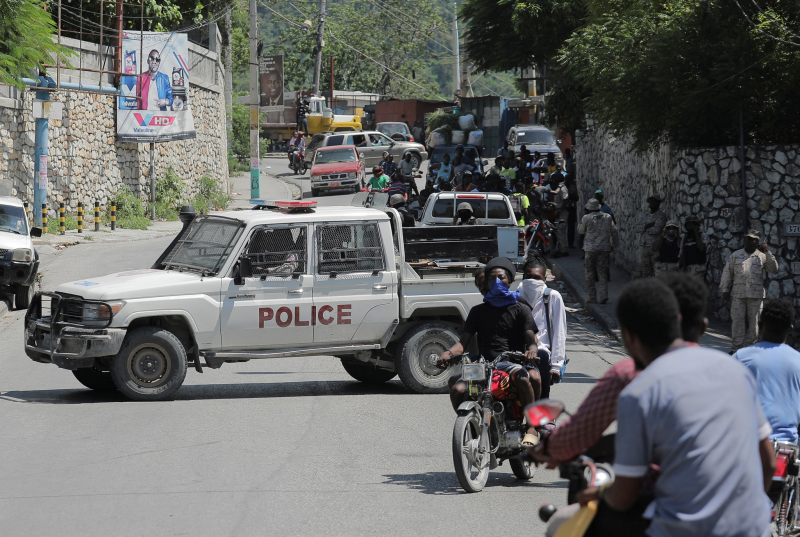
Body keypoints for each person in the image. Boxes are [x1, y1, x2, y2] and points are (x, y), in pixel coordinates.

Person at [575, 278, 776, 537]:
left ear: (627, 335)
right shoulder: (736, 371)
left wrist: (600, 492)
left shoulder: (639, 392)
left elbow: (623, 497)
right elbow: (768, 463)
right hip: (753, 527)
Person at [533, 273, 710, 476]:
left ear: (627, 334)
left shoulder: (629, 374)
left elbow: (582, 431)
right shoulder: (738, 370)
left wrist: (548, 450)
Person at [437, 257, 543, 446]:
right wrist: (449, 353)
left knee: (523, 377)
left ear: (509, 281)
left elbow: (531, 340)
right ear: (486, 282)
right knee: (457, 386)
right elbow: (462, 343)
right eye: (491, 279)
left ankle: (531, 427)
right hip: (484, 364)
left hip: (512, 363)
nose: (496, 282)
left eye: (501, 278)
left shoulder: (521, 309)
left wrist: (532, 351)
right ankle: (470, 425)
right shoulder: (478, 311)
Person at [735, 299, 800, 444]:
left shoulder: (741, 357)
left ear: (760, 325)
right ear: (790, 329)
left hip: (748, 442)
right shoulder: (798, 360)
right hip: (788, 445)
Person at [720, 229, 779, 352]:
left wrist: (767, 251)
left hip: (755, 295)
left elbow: (773, 269)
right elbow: (727, 272)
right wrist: (725, 289)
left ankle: (750, 350)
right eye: (747, 238)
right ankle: (737, 349)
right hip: (738, 295)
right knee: (737, 323)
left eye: (752, 239)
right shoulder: (736, 255)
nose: (749, 241)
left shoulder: (762, 256)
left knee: (754, 325)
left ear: (757, 242)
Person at [518, 254, 567, 389]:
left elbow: (559, 332)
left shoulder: (553, 297)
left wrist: (557, 365)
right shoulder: (517, 294)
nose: (532, 282)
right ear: (523, 277)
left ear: (544, 279)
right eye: (528, 277)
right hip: (519, 350)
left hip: (542, 351)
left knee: (542, 391)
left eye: (537, 278)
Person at [578, 199, 618, 304]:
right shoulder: (607, 217)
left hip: (590, 249)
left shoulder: (586, 218)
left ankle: (592, 296)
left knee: (589, 272)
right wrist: (614, 245)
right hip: (604, 248)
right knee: (602, 272)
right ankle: (603, 295)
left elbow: (581, 231)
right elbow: (614, 231)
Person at [637, 194, 667, 278]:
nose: (652, 203)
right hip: (645, 246)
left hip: (655, 247)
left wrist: (644, 227)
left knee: (657, 271)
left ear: (658, 203)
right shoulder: (645, 215)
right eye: (651, 201)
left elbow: (656, 230)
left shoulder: (661, 216)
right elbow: (637, 228)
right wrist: (649, 225)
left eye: (655, 201)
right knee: (645, 271)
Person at [549, 172, 571, 258]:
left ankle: (564, 250)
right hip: (558, 212)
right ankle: (561, 249)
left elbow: (565, 200)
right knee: (558, 231)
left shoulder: (563, 189)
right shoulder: (559, 188)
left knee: (561, 231)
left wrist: (560, 209)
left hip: (562, 213)